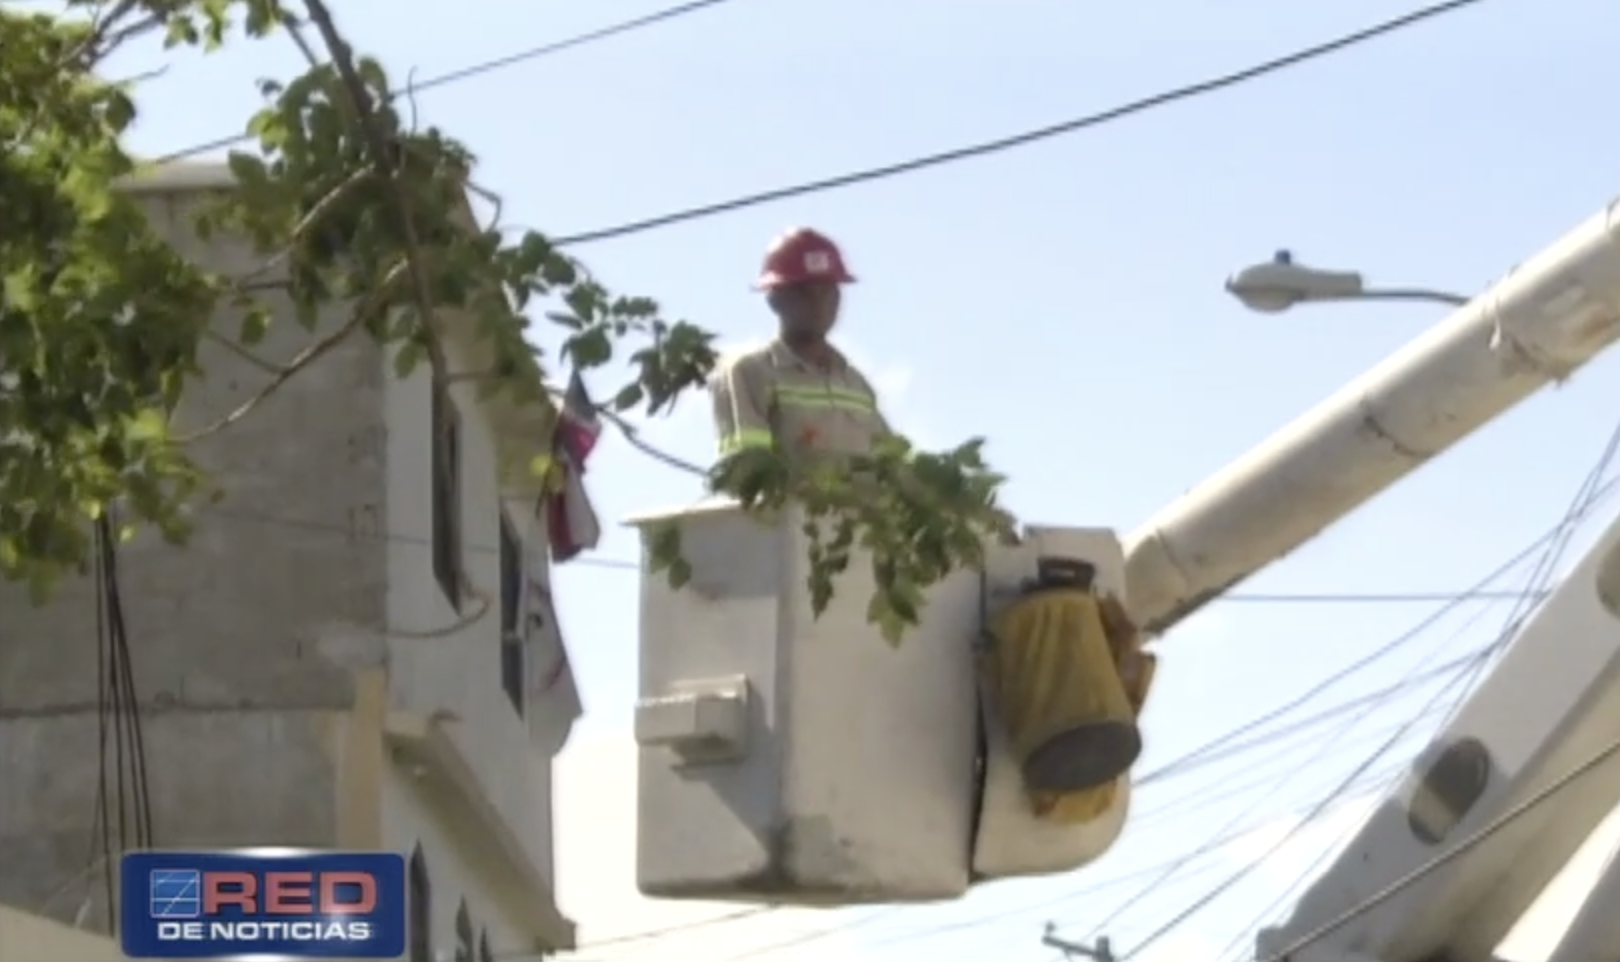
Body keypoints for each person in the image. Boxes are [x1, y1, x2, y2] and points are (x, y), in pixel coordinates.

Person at [709, 228, 892, 462]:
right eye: (805, 292)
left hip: (856, 501)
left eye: (826, 291)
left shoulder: (855, 384)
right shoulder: (750, 372)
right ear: (775, 299)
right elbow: (747, 472)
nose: (818, 302)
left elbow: (894, 468)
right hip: (789, 500)